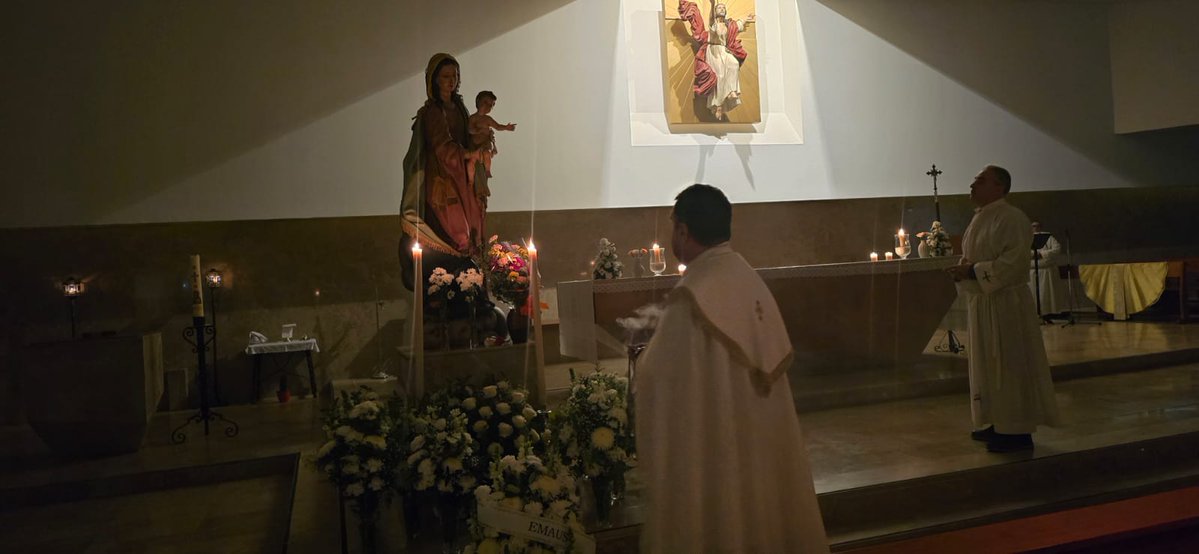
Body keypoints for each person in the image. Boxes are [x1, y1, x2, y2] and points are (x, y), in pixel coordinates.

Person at [635, 184, 828, 553]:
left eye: (673, 225)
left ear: (683, 231)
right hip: (759, 452)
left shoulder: (693, 296)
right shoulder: (748, 280)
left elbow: (657, 379)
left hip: (716, 454)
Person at [947, 166, 1061, 453]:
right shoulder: (979, 218)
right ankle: (993, 421)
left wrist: (972, 270)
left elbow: (1014, 263)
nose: (972, 185)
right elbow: (976, 256)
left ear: (999, 187)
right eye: (973, 180)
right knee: (987, 365)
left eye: (980, 181)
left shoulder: (1012, 217)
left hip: (1006, 304)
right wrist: (965, 268)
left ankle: (1016, 429)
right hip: (984, 303)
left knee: (1007, 365)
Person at [399, 53, 486, 258]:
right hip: (442, 177)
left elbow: (466, 136)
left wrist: (481, 143)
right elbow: (442, 147)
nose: (451, 81)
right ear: (435, 79)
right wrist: (468, 154)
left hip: (462, 175)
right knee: (457, 231)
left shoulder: (459, 107)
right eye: (446, 76)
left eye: (454, 75)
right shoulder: (432, 112)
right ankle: (455, 269)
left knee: (474, 223)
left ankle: (470, 270)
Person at [677, 1, 756, 121]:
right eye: (720, 8)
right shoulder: (714, 24)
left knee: (734, 64)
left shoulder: (730, 25)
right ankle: (718, 105)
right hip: (712, 50)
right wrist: (714, 3)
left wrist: (747, 19)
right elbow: (711, 18)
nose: (722, 9)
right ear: (715, 11)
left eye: (723, 8)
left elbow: (739, 24)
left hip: (724, 50)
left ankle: (731, 91)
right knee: (719, 75)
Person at [467, 90, 516, 205]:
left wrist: (507, 127)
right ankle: (471, 182)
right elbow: (469, 129)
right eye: (486, 103)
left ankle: (487, 172)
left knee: (486, 156)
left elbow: (498, 126)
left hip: (484, 146)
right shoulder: (473, 118)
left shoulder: (488, 119)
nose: (488, 107)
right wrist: (478, 130)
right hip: (474, 147)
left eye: (491, 105)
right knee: (472, 163)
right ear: (478, 102)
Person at [1029, 221, 1067, 320]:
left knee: (1047, 294)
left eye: (1037, 226)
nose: (1035, 228)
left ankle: (1049, 314)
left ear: (1041, 227)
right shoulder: (1026, 238)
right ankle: (1035, 314)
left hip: (1047, 271)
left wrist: (1041, 254)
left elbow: (1057, 249)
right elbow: (1022, 252)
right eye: (1033, 226)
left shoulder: (1048, 237)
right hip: (1033, 271)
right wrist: (1033, 255)